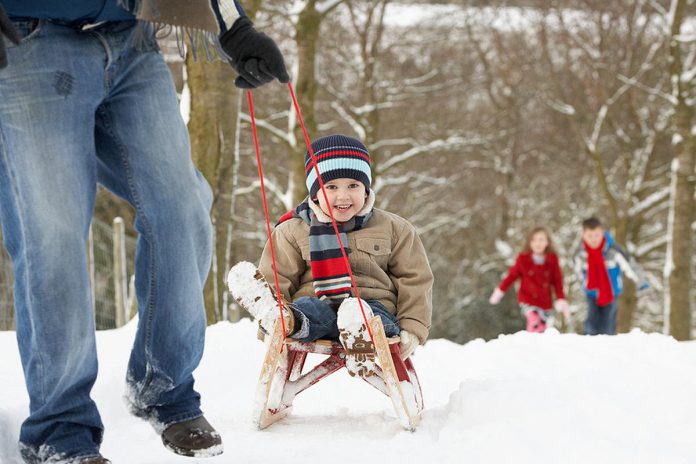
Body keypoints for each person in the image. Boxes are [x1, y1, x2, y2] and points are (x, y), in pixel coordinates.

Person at [0, 1, 288, 462]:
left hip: (129, 37)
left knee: (183, 208)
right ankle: (59, 428)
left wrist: (233, 28)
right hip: (26, 41)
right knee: (51, 233)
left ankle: (162, 385)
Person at [227, 134, 433, 377]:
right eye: (332, 187)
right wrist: (273, 336)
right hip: (318, 311)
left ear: (366, 189)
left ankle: (359, 330)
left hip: (375, 313)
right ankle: (281, 320)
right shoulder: (293, 230)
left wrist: (412, 327)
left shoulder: (395, 229)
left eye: (353, 186)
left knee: (372, 318)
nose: (343, 196)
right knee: (305, 309)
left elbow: (415, 278)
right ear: (314, 193)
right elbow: (278, 277)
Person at [573, 217, 650, 336]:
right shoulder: (580, 253)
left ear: (603, 232)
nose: (594, 239)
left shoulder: (613, 250)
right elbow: (577, 271)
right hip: (591, 293)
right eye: (590, 236)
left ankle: (607, 349)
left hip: (611, 293)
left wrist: (642, 285)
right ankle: (588, 349)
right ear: (583, 235)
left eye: (597, 235)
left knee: (608, 327)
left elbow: (632, 267)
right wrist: (582, 282)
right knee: (591, 326)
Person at [489, 227, 569, 332]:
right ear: (530, 243)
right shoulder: (523, 259)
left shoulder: (552, 259)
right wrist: (500, 290)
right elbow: (512, 276)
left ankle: (534, 343)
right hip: (528, 299)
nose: (537, 243)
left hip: (545, 302)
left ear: (547, 242)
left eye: (541, 240)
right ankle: (532, 340)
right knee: (534, 321)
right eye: (534, 240)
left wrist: (561, 298)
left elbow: (557, 280)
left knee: (543, 328)